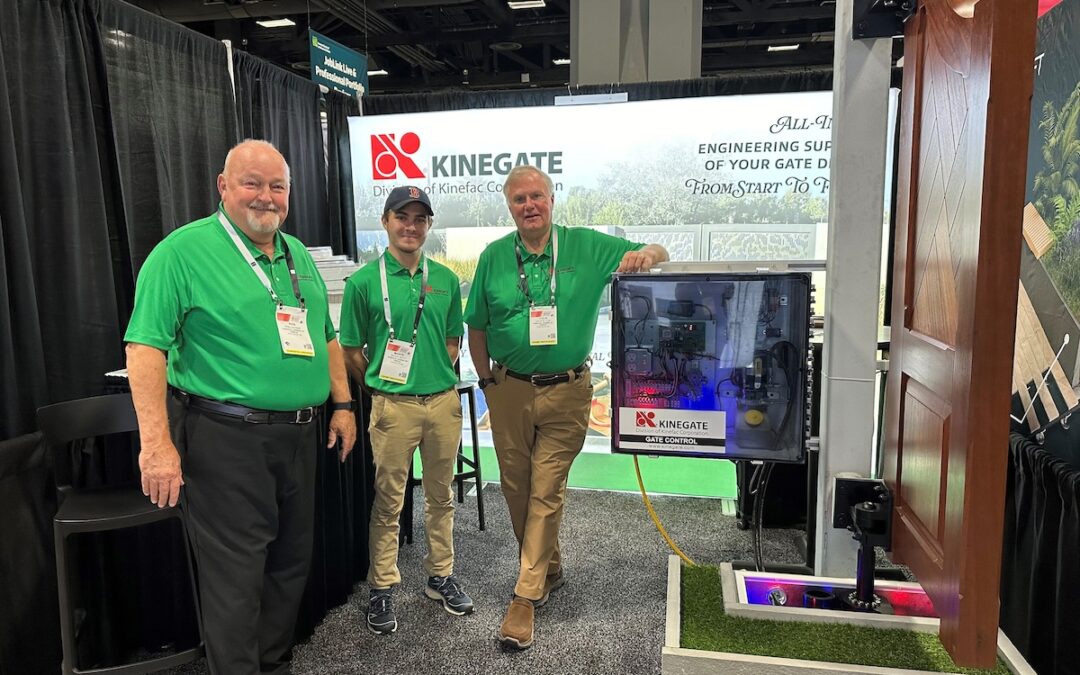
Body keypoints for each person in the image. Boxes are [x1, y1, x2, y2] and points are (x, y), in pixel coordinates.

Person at [124, 139, 357, 674]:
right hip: (225, 438)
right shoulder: (181, 253)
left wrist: (342, 404)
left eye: (277, 186)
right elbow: (144, 348)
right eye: (252, 183)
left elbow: (323, 337)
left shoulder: (296, 254)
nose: (266, 197)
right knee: (236, 577)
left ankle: (273, 666)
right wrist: (156, 445)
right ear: (223, 186)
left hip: (300, 435)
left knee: (289, 566)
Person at [464, 165, 668, 649]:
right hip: (508, 389)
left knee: (547, 487)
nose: (529, 205)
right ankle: (549, 568)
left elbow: (658, 253)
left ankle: (525, 594)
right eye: (519, 200)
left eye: (537, 196)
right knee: (516, 488)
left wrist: (647, 254)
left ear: (552, 200)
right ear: (510, 207)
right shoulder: (494, 257)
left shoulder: (586, 247)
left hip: (569, 391)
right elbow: (477, 326)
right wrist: (487, 381)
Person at [339, 185, 474, 636]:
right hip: (392, 408)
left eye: (420, 219)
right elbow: (352, 350)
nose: (411, 226)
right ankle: (382, 585)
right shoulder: (362, 282)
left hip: (441, 403)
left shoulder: (446, 280)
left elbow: (453, 340)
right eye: (402, 216)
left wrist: (431, 375)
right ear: (386, 221)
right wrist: (382, 386)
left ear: (428, 225)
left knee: (442, 497)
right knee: (389, 501)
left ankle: (440, 576)